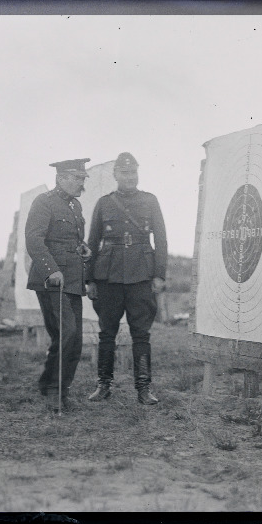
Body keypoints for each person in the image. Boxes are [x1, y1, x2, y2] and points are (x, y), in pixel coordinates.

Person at [86, 152, 167, 405]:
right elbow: (92, 242)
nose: (129, 177)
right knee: (107, 333)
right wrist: (89, 279)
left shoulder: (150, 200)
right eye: (124, 173)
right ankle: (104, 385)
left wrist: (159, 274)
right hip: (108, 276)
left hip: (141, 275)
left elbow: (161, 240)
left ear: (138, 173)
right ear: (115, 175)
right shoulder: (104, 203)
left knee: (141, 334)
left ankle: (144, 388)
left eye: (133, 173)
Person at [25, 158, 93, 413]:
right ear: (61, 177)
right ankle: (55, 390)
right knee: (68, 333)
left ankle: (52, 385)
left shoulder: (75, 205)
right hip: (51, 279)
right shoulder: (44, 202)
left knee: (71, 337)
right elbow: (34, 239)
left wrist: (82, 248)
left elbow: (70, 240)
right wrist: (51, 269)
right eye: (77, 178)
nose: (81, 183)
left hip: (73, 279)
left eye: (83, 178)